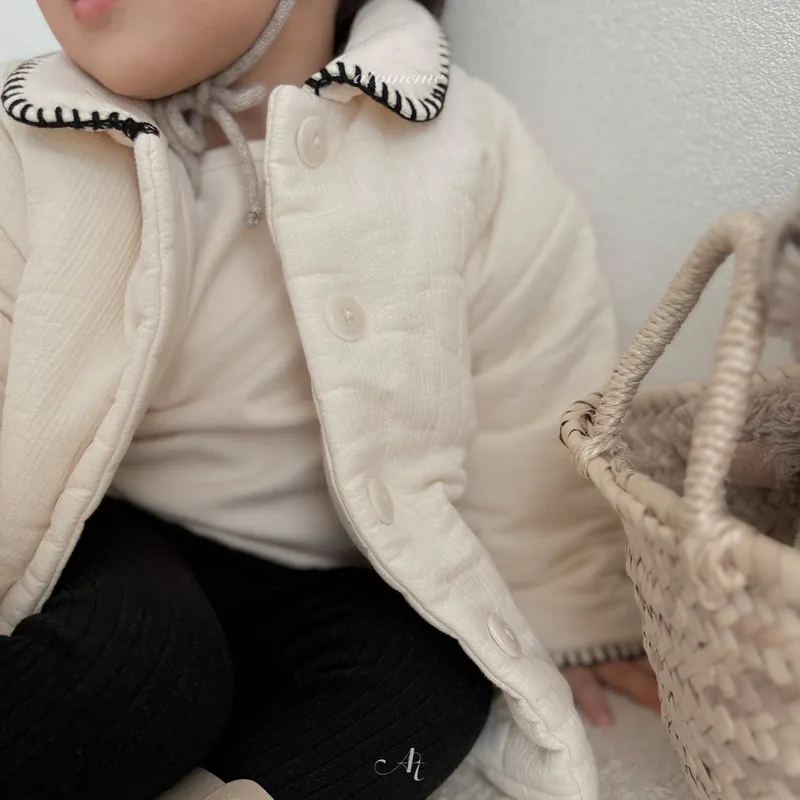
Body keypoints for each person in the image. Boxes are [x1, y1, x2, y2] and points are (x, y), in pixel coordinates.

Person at [0, 0, 659, 799]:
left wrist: (572, 610)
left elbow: (532, 389)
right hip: (110, 539)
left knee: (432, 682)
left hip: (331, 573)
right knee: (139, 663)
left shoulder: (454, 144)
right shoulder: (34, 140)